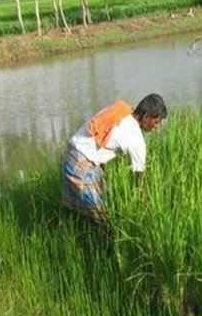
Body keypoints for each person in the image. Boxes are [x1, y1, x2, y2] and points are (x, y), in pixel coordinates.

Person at [61, 93, 167, 237]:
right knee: (106, 221)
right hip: (81, 167)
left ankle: (77, 236)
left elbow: (100, 142)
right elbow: (139, 181)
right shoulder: (136, 139)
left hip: (71, 156)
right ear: (146, 116)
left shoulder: (120, 111)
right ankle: (105, 253)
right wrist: (148, 211)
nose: (157, 128)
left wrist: (102, 177)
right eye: (156, 122)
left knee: (99, 206)